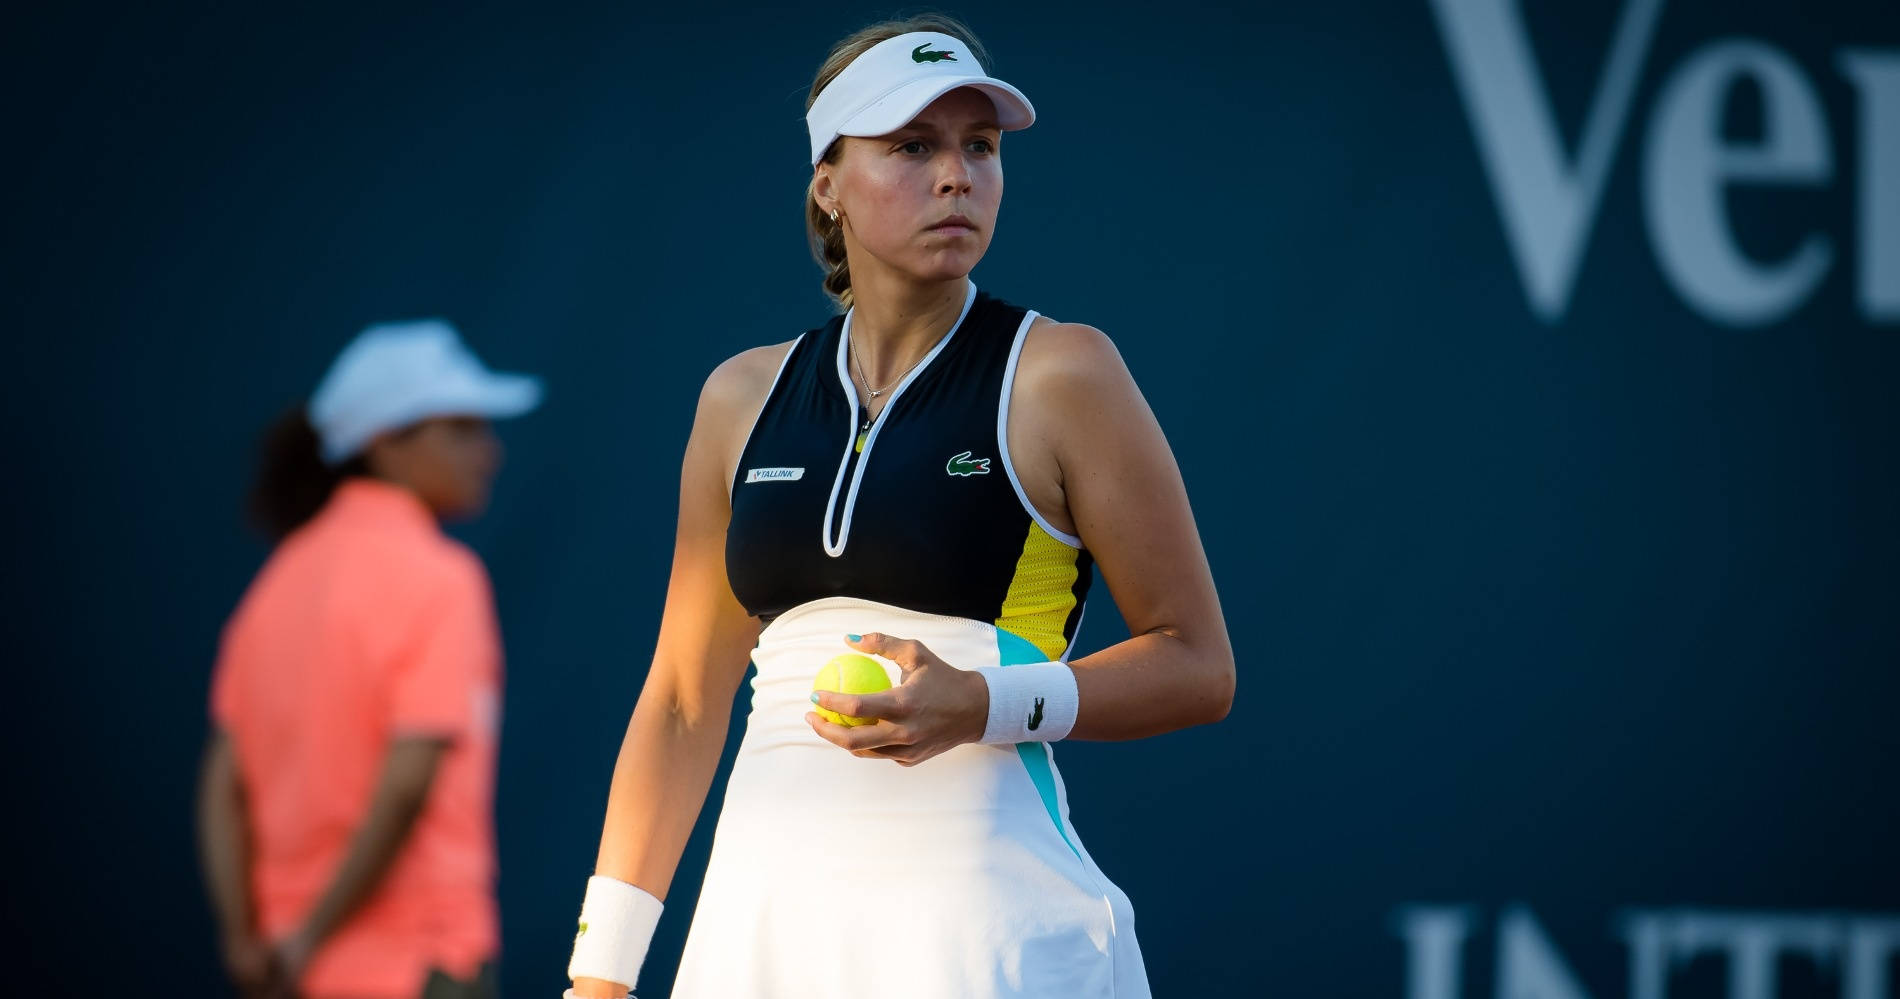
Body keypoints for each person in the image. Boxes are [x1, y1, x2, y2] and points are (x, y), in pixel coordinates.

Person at [564, 15, 1234, 999]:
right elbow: (679, 701)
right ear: (827, 183)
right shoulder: (737, 399)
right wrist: (601, 974)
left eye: (980, 147)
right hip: (759, 934)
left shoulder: (1062, 373)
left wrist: (984, 704)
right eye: (912, 147)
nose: (956, 175)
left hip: (985, 936)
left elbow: (1197, 664)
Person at [196, 319, 542, 999]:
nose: (490, 451)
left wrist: (250, 940)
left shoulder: (274, 586)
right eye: (463, 428)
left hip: (292, 972)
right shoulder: (441, 578)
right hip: (418, 962)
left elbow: (220, 785)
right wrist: (311, 934)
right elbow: (407, 782)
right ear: (386, 441)